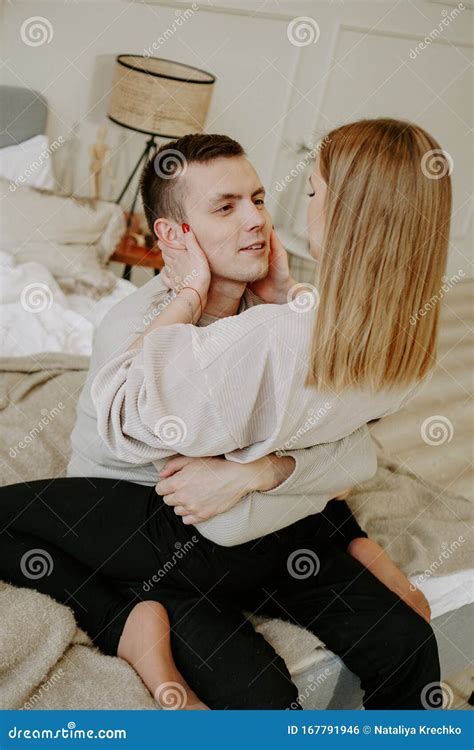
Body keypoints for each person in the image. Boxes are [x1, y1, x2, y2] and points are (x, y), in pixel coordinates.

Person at [1, 120, 448, 710]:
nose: (256, 220)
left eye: (259, 199)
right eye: (226, 206)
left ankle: (354, 552)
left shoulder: (276, 322)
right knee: (258, 694)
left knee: (401, 635)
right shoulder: (133, 327)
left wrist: (261, 469)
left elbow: (331, 429)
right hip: (157, 534)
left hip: (254, 531)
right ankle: (131, 622)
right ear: (174, 234)